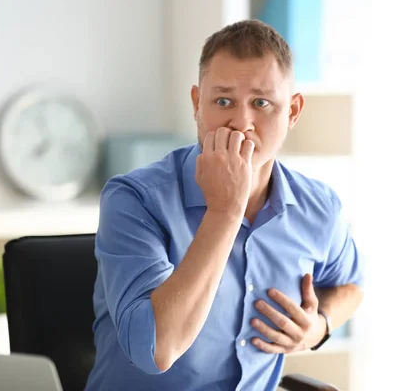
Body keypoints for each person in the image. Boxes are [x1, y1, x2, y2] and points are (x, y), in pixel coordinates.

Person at [85, 19, 364, 391]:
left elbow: (351, 285)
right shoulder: (134, 200)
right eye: (223, 101)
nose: (241, 122)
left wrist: (318, 327)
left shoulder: (319, 206)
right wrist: (225, 210)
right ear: (197, 104)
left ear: (293, 112)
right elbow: (157, 351)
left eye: (262, 103)